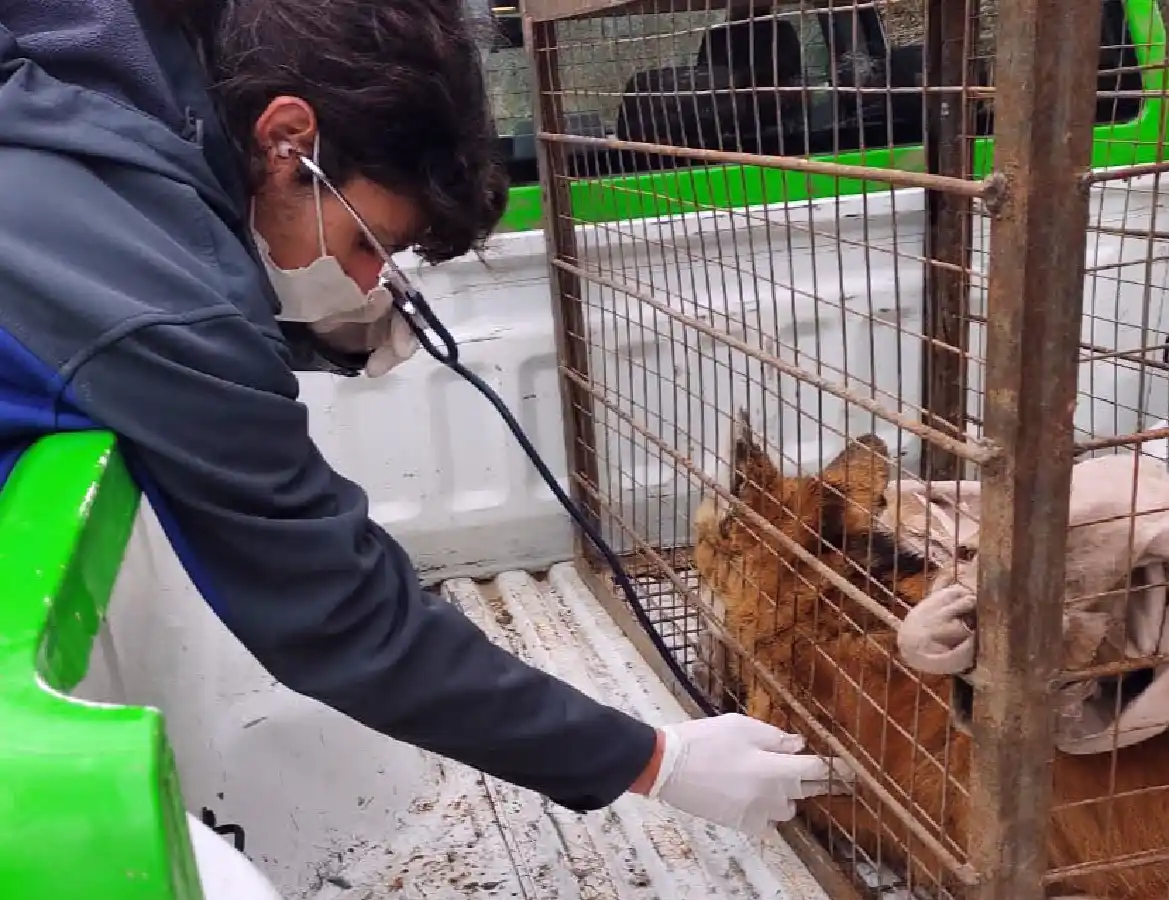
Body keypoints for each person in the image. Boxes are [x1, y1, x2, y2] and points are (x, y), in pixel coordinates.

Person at [0, 0, 851, 840]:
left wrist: (318, 327)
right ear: (289, 140)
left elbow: (169, 294)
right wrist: (653, 760)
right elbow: (338, 618)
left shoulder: (90, 88)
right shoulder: (163, 307)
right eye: (371, 245)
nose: (373, 281)